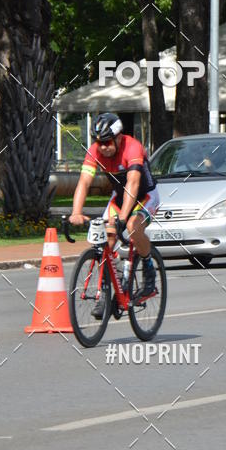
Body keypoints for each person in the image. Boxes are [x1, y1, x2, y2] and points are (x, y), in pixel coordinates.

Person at [69, 112, 159, 318]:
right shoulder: (95, 151)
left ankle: (148, 266)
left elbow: (133, 184)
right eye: (99, 142)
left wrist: (123, 218)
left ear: (119, 137)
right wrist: (76, 212)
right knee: (106, 239)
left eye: (107, 142)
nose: (103, 147)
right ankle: (108, 289)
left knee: (132, 227)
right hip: (119, 197)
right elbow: (84, 182)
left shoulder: (132, 147)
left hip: (145, 195)